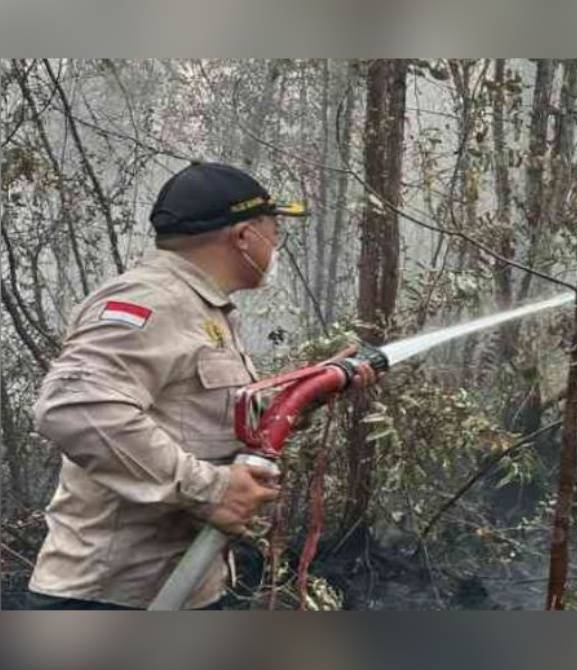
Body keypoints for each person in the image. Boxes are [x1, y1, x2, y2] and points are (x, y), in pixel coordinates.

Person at [25, 162, 376, 610]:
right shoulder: (150, 300)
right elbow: (73, 407)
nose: (275, 246)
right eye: (274, 232)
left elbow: (199, 415)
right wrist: (211, 490)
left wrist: (305, 394)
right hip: (110, 599)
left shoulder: (202, 311)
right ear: (245, 236)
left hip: (182, 589)